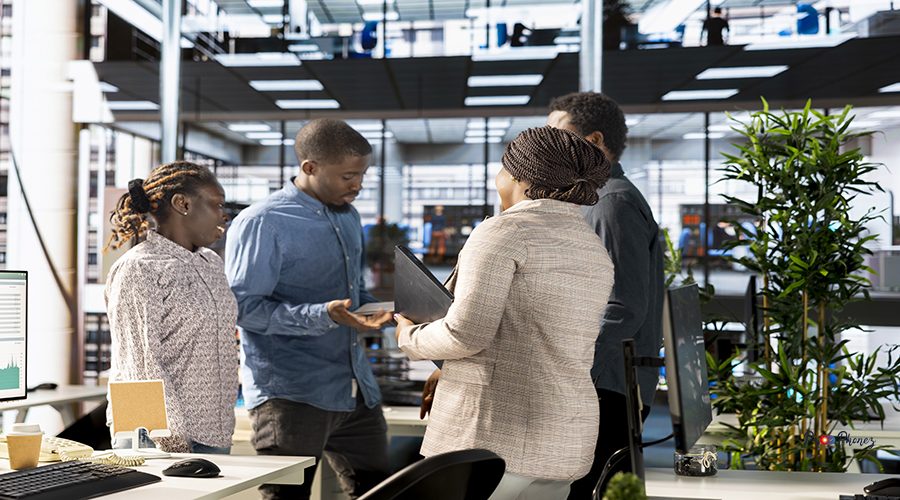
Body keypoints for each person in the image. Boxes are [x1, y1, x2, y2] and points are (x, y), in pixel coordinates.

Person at [395, 126, 615, 500]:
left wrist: (409, 337)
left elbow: (466, 334)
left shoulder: (504, 231)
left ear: (517, 175)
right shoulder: (590, 245)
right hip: (565, 435)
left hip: (495, 433)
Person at [225, 118, 393, 500]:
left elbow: (353, 292)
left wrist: (379, 310)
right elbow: (243, 308)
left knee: (383, 492)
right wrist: (323, 315)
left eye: (363, 175)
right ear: (310, 168)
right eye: (348, 176)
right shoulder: (263, 221)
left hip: (355, 391)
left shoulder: (348, 217)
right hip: (291, 396)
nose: (358, 185)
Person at [547, 92, 665, 499]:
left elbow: (623, 306)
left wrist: (568, 372)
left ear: (594, 141)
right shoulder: (597, 200)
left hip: (606, 385)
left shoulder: (611, 202)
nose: (550, 146)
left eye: (558, 135)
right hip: (604, 380)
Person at [104, 161, 237, 454]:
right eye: (216, 204)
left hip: (212, 433)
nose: (223, 215)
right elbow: (139, 364)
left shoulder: (211, 263)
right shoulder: (138, 268)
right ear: (182, 203)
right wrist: (172, 442)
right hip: (155, 438)